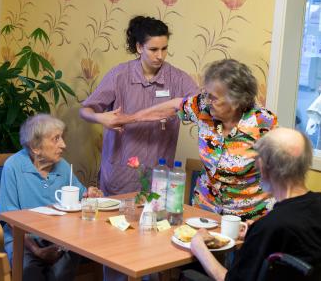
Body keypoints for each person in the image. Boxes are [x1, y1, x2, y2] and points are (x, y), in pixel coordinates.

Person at [118, 59, 277, 221]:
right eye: (206, 95)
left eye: (213, 98)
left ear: (235, 100)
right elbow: (174, 106)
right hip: (205, 209)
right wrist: (130, 118)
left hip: (248, 216)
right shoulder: (203, 106)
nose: (207, 101)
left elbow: (279, 172)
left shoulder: (263, 122)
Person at [189, 127, 321, 281]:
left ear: (263, 167)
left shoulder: (271, 227)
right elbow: (300, 247)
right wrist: (253, 232)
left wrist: (199, 247)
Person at [79, 16, 198, 195]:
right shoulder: (119, 75)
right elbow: (85, 110)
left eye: (164, 49)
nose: (160, 56)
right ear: (139, 47)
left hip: (159, 177)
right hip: (120, 175)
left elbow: (201, 106)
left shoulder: (178, 79)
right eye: (153, 49)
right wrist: (100, 117)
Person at [0, 114, 103, 281]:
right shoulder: (13, 166)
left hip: (60, 238)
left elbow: (82, 196)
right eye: (56, 139)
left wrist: (90, 194)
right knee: (29, 269)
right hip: (24, 239)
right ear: (35, 147)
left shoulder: (62, 165)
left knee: (62, 271)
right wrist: (36, 250)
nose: (63, 145)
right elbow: (11, 218)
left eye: (62, 137)